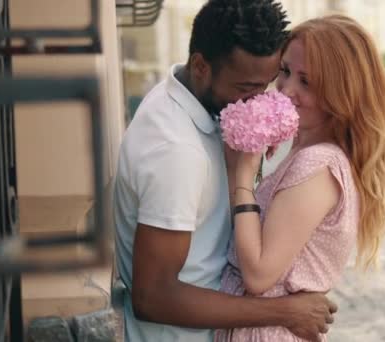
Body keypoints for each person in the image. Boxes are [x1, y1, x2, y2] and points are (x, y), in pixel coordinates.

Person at [113, 1, 336, 341]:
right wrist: (286, 311)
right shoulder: (176, 151)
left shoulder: (184, 97)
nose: (257, 99)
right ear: (201, 66)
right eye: (246, 88)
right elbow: (153, 296)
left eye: (267, 84)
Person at [215, 15, 385, 341]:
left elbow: (259, 275)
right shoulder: (308, 154)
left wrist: (242, 176)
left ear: (340, 93)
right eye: (285, 71)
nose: (287, 90)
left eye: (307, 82)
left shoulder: (318, 163)